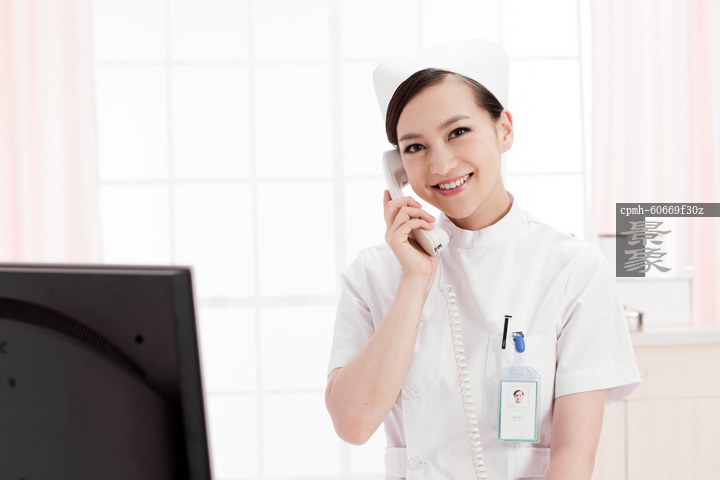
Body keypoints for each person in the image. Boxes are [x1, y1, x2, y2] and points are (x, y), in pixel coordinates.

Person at [325, 39, 641, 480]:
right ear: (397, 167)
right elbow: (352, 424)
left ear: (504, 130)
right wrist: (414, 282)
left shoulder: (573, 270)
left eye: (457, 132)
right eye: (415, 147)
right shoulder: (374, 273)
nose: (441, 164)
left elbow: (573, 457)